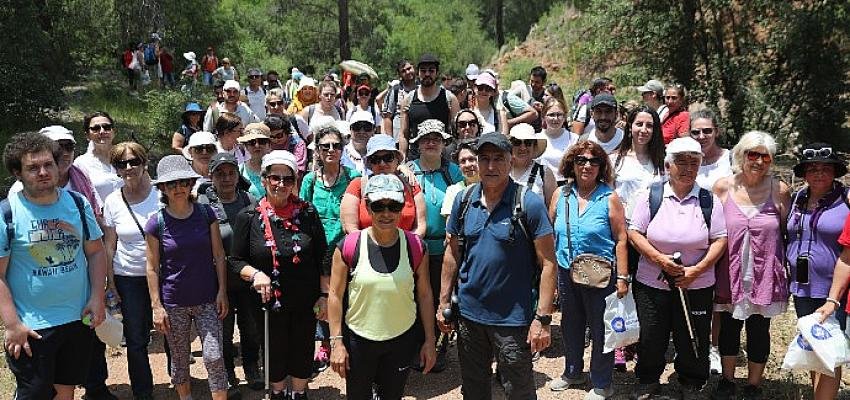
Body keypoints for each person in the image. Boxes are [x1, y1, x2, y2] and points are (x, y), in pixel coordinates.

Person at [437, 133, 557, 399]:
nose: (491, 167)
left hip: (512, 319)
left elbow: (548, 263)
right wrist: (444, 301)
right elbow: (452, 254)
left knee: (519, 390)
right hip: (469, 316)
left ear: (510, 160)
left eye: (498, 159)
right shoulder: (464, 200)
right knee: (474, 388)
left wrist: (543, 319)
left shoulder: (529, 203)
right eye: (485, 159)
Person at [0, 132, 106, 400]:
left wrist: (97, 298)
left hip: (77, 318)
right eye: (33, 168)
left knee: (65, 390)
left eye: (48, 164)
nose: (43, 172)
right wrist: (12, 324)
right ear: (17, 173)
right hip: (32, 327)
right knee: (34, 394)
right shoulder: (7, 214)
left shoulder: (78, 204)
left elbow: (95, 252)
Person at [627, 137, 728, 400]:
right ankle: (648, 379)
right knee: (651, 334)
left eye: (693, 162)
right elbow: (634, 232)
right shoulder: (653, 195)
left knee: (692, 334)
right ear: (668, 165)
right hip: (652, 280)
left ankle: (692, 381)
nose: (687, 168)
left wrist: (697, 269)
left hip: (697, 282)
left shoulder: (708, 200)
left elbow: (720, 239)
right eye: (680, 162)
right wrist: (659, 259)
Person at [230, 150, 329, 400]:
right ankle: (277, 393)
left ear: (295, 182)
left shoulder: (308, 213)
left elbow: (323, 257)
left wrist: (325, 295)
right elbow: (235, 260)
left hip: (305, 299)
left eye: (288, 179)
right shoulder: (248, 217)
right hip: (267, 302)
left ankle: (298, 392)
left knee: (303, 346)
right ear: (264, 179)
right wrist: (254, 274)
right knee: (273, 348)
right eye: (275, 178)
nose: (281, 184)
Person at [327, 174, 436, 399]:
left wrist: (429, 340)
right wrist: (337, 342)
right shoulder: (349, 246)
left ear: (402, 208)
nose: (386, 214)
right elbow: (335, 295)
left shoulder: (416, 246)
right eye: (378, 206)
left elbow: (424, 294)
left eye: (394, 206)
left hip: (401, 339)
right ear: (367, 207)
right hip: (359, 340)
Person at [711, 131, 791, 400]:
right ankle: (727, 380)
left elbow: (786, 232)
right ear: (741, 155)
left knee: (759, 329)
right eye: (752, 154)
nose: (758, 161)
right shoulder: (722, 187)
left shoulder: (780, 190)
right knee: (729, 328)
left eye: (765, 156)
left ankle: (754, 384)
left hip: (764, 273)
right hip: (729, 273)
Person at [546, 141, 628, 400]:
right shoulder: (561, 194)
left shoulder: (609, 197)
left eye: (594, 161)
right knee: (571, 324)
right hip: (566, 270)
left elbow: (621, 238)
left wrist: (623, 277)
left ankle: (603, 382)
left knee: (601, 327)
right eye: (581, 159)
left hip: (600, 273)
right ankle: (572, 372)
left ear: (601, 166)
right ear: (572, 163)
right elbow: (551, 231)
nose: (587, 165)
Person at [145, 155, 229, 400]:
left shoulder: (206, 214)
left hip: (207, 298)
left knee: (214, 356)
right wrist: (156, 306)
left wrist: (222, 290)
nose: (178, 188)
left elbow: (219, 255)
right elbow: (151, 267)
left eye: (183, 182)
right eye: (171, 184)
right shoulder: (156, 222)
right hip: (174, 301)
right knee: (180, 358)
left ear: (191, 183)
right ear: (162, 188)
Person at [783, 143, 850, 400]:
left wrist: (835, 297)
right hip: (802, 287)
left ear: (835, 172)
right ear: (804, 172)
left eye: (825, 168)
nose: (818, 173)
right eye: (812, 169)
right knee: (813, 347)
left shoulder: (846, 199)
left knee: (830, 350)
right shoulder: (798, 197)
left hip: (836, 290)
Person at [196, 153, 263, 393]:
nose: (226, 178)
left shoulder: (250, 200)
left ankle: (252, 367)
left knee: (251, 326)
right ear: (211, 176)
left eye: (231, 173)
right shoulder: (202, 206)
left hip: (247, 276)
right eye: (220, 174)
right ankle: (227, 374)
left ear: (238, 174)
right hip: (217, 280)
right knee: (222, 331)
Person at [300, 124, 362, 372]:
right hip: (317, 248)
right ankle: (325, 341)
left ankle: (348, 341)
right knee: (322, 297)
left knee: (347, 296)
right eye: (325, 145)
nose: (331, 150)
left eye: (336, 146)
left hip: (344, 247)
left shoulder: (352, 178)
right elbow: (302, 211)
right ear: (317, 149)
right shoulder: (309, 180)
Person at [102, 142, 159, 400]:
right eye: (121, 164)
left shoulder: (160, 194)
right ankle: (143, 391)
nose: (128, 168)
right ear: (115, 170)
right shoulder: (112, 201)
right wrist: (110, 281)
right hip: (128, 277)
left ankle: (179, 378)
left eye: (134, 161)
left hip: (161, 274)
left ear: (144, 163)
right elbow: (110, 244)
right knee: (136, 338)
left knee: (170, 330)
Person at [407, 119, 464, 371]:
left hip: (445, 246)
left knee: (444, 298)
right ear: (418, 144)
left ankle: (439, 347)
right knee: (417, 298)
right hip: (415, 247)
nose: (431, 143)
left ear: (444, 143)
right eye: (426, 139)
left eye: (436, 139)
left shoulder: (453, 171)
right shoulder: (407, 170)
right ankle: (417, 346)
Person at [341, 135, 427, 236]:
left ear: (397, 160)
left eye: (388, 158)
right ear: (370, 163)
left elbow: (420, 226)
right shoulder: (358, 185)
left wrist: (407, 244)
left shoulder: (410, 185)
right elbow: (350, 227)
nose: (382, 163)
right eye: (375, 159)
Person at [399, 53, 460, 160]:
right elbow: (404, 134)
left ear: (437, 73)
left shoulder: (449, 99)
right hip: (416, 161)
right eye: (423, 70)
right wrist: (402, 159)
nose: (427, 74)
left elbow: (457, 132)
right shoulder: (408, 100)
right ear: (418, 73)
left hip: (443, 160)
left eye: (431, 70)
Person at [610, 106, 666, 215]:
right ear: (630, 127)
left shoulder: (663, 161)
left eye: (649, 126)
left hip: (653, 223)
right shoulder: (614, 160)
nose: (644, 130)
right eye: (639, 124)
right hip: (622, 223)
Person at [75, 112, 124, 203]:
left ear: (114, 131)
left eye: (107, 127)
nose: (102, 131)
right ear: (87, 135)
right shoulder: (81, 164)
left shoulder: (126, 156)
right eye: (95, 128)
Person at [509, 123, 556, 207]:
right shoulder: (502, 170)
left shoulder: (544, 172)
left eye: (528, 143)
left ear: (534, 146)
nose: (522, 148)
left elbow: (552, 208)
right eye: (517, 142)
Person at [539, 98, 579, 185]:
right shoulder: (535, 139)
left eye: (559, 114)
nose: (556, 118)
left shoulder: (574, 139)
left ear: (564, 117)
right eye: (551, 115)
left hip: (565, 186)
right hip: (540, 186)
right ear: (543, 116)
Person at [690, 109, 732, 191]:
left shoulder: (731, 159)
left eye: (707, 131)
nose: (701, 136)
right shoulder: (686, 162)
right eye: (695, 132)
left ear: (717, 132)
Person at [441, 139, 480, 219]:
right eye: (463, 161)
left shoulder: (493, 187)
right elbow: (450, 228)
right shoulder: (453, 191)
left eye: (472, 159)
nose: (467, 164)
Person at [381, 60, 418, 141]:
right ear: (400, 75)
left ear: (414, 68)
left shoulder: (422, 88)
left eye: (409, 68)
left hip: (418, 138)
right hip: (398, 138)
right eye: (403, 71)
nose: (407, 72)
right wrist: (390, 141)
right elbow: (387, 116)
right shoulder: (395, 90)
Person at [238, 123, 273, 199]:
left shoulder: (278, 168)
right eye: (252, 142)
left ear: (269, 145)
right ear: (245, 146)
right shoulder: (239, 170)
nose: (257, 145)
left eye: (261, 141)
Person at [342, 111, 377, 176]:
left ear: (373, 130)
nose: (362, 131)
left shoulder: (379, 155)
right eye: (357, 127)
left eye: (367, 127)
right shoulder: (340, 154)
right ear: (350, 129)